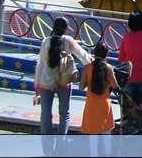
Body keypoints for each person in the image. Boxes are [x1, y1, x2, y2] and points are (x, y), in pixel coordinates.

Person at [34, 16, 92, 157]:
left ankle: (48, 150)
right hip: (64, 82)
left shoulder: (45, 42)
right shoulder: (68, 41)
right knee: (64, 113)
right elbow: (84, 57)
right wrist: (98, 64)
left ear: (53, 28)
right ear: (66, 29)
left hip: (46, 82)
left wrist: (36, 86)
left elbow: (40, 65)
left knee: (45, 114)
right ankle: (60, 148)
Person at [80, 42, 118, 158]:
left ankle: (94, 155)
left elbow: (81, 87)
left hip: (91, 103)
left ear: (95, 53)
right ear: (106, 54)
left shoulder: (87, 67)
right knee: (106, 131)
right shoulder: (108, 68)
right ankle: (107, 154)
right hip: (104, 103)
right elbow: (115, 85)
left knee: (93, 132)